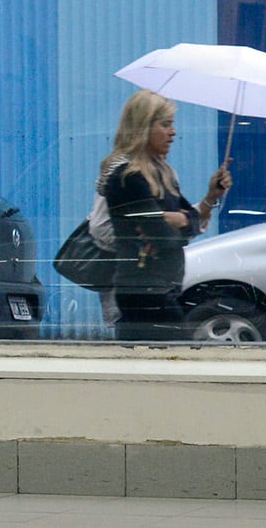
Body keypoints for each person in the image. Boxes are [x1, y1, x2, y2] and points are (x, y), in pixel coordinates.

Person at [90, 89, 232, 341]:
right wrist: (165, 222)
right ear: (144, 127)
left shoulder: (164, 173)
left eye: (172, 125)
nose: (173, 132)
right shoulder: (126, 174)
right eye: (165, 124)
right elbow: (162, 237)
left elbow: (189, 222)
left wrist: (207, 200)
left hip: (164, 284)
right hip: (139, 284)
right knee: (177, 353)